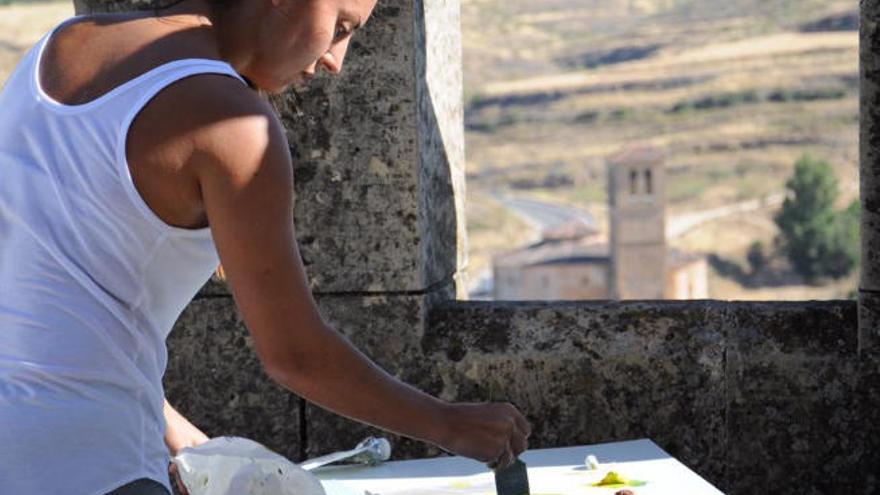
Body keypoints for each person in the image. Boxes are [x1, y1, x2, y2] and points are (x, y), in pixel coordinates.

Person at [0, 0, 531, 494]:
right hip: (90, 466)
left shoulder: (63, 46)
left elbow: (54, 301)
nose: (335, 61)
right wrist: (448, 423)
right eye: (341, 28)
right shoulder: (231, 125)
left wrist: (180, 437)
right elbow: (295, 355)